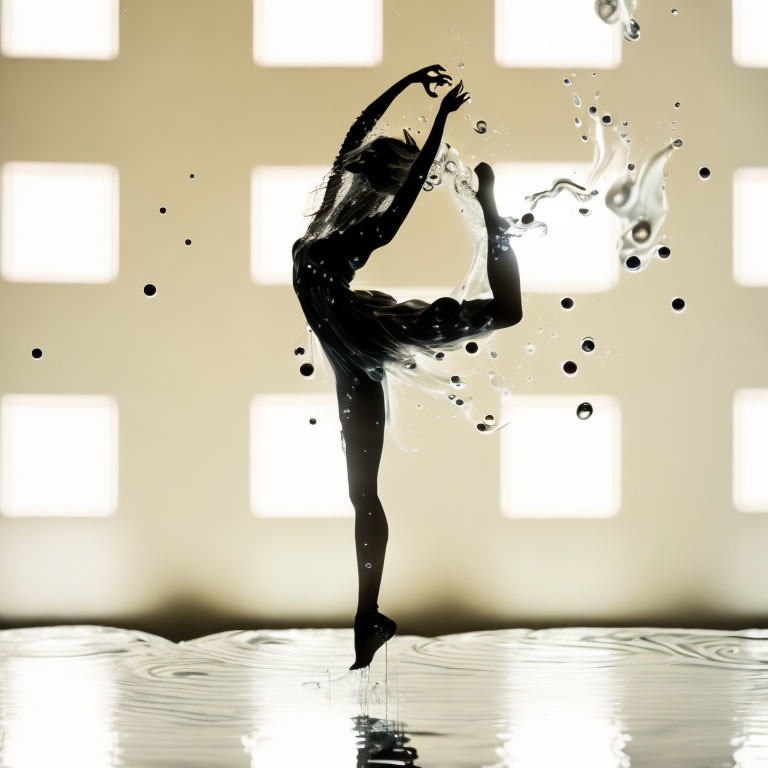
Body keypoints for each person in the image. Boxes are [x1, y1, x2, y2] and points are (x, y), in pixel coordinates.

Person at [292, 65, 524, 671]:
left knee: (506, 312)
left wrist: (424, 102)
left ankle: (494, 210)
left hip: (358, 342)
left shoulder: (340, 232)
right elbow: (357, 134)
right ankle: (367, 616)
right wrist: (421, 96)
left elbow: (366, 144)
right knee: (360, 492)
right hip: (356, 348)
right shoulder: (339, 227)